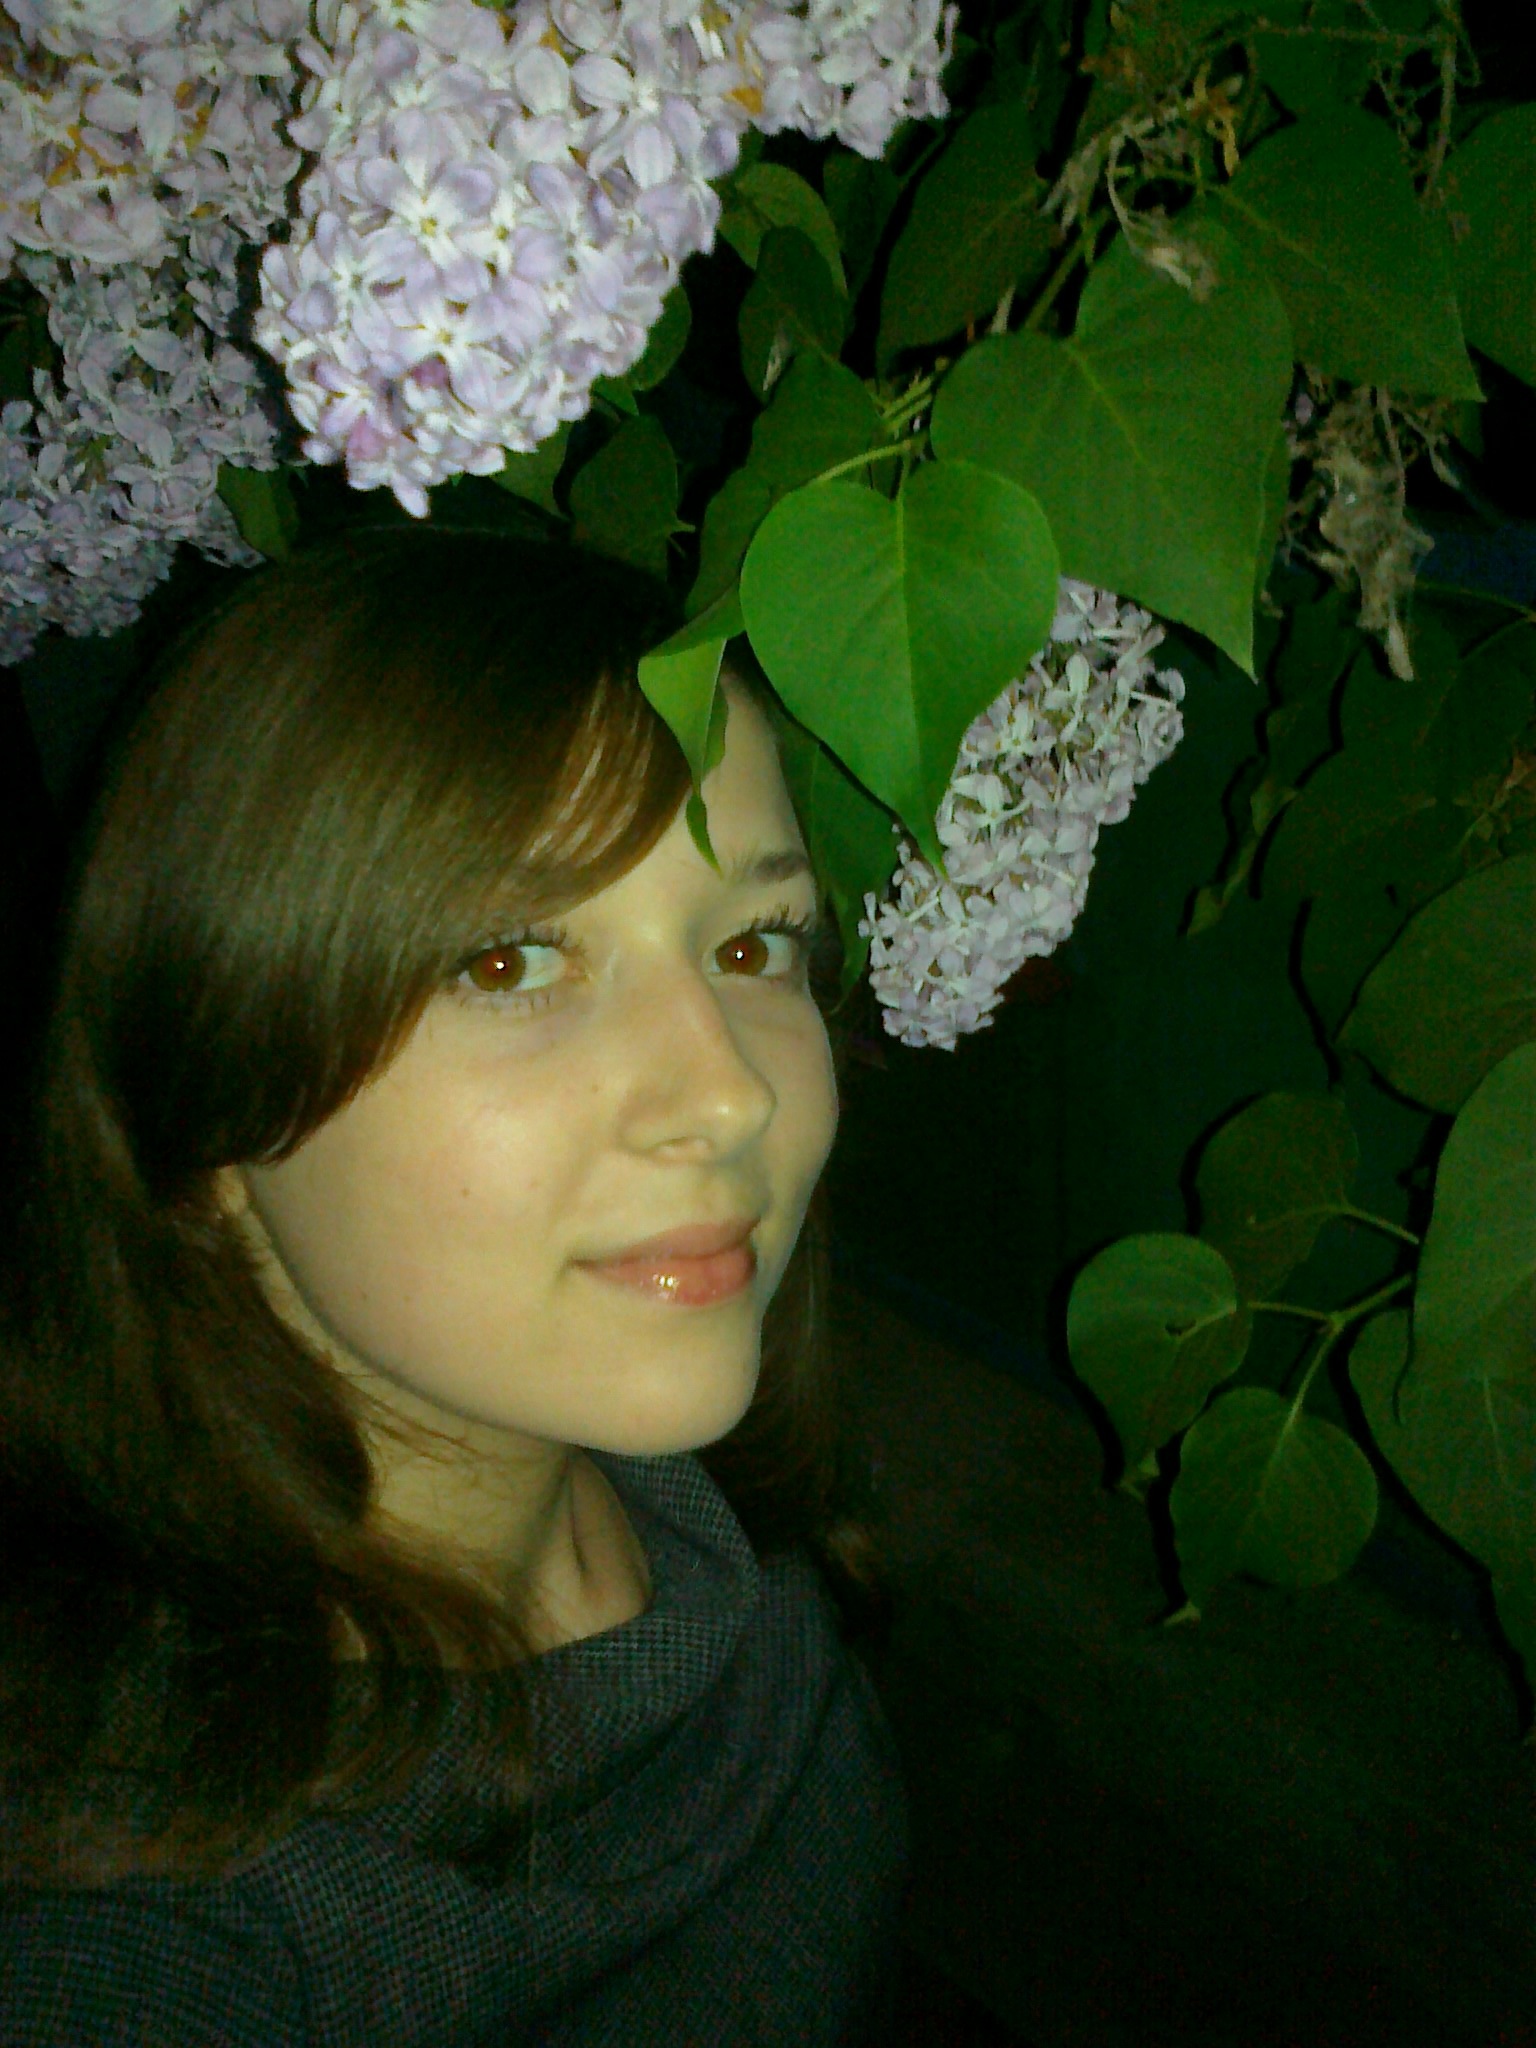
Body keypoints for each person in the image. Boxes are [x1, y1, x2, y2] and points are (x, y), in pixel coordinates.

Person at [0, 527, 909, 2044]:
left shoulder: (717, 1523)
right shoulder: (149, 1921)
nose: (729, 1093)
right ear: (210, 1088)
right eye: (507, 964)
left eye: (756, 944)